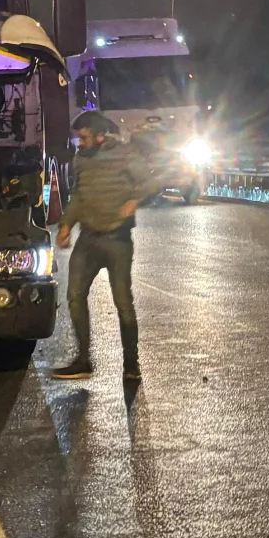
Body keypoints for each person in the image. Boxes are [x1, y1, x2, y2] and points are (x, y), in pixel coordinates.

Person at [53, 109, 176, 385]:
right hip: (88, 239)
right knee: (74, 296)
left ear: (99, 136)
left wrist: (134, 199)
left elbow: (152, 181)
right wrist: (65, 225)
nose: (79, 143)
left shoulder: (125, 154)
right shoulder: (80, 160)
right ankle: (83, 360)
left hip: (117, 240)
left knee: (123, 303)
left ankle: (131, 364)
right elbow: (77, 196)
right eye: (77, 139)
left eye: (83, 138)